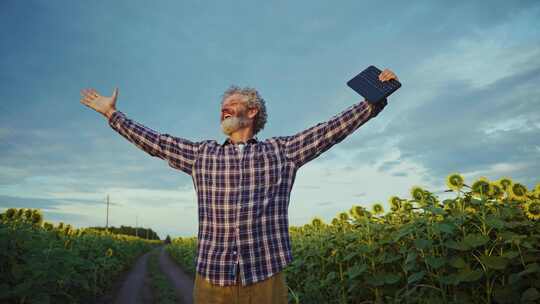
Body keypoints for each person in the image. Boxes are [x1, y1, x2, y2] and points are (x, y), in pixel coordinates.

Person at [79, 69, 398, 304]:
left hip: (266, 279)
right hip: (212, 281)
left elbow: (330, 130)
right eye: (222, 106)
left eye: (232, 104)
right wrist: (112, 114)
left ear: (253, 111)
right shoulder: (202, 155)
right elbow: (156, 143)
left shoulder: (281, 152)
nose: (224, 108)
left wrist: (374, 99)